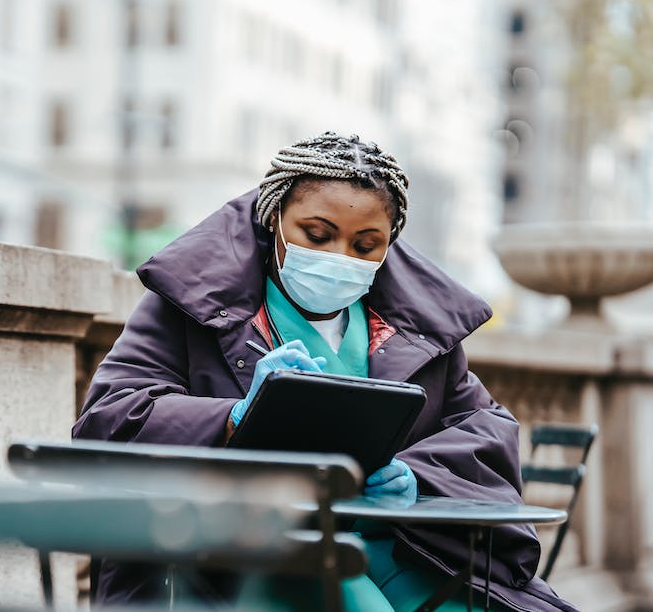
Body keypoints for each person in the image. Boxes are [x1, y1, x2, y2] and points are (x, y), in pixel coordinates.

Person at [73, 132, 577, 611]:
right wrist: (234, 418)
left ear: (390, 244)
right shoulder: (187, 305)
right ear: (273, 219)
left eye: (365, 245)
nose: (340, 258)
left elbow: (487, 430)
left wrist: (416, 479)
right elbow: (107, 419)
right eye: (317, 234)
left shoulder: (424, 329)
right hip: (243, 557)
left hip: (405, 552)